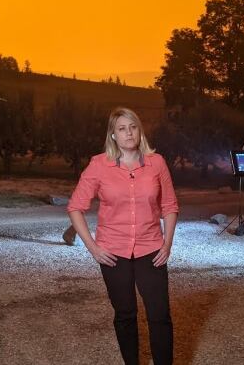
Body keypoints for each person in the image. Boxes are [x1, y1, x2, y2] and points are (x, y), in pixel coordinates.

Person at [67, 107, 179, 365]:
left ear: (140, 131)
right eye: (122, 128)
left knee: (160, 314)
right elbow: (75, 207)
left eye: (133, 127)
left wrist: (167, 243)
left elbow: (170, 206)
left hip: (151, 249)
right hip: (112, 252)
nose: (128, 133)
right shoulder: (98, 165)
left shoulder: (157, 163)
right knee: (125, 314)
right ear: (113, 135)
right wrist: (93, 248)